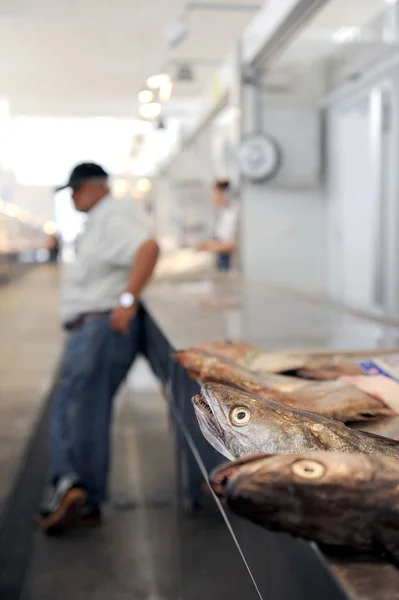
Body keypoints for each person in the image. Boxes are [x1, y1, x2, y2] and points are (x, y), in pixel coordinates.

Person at [39, 162, 159, 534]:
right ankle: (76, 490)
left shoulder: (112, 217)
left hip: (98, 327)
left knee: (81, 409)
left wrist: (126, 300)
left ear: (94, 186)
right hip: (91, 328)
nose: (73, 198)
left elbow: (148, 249)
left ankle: (79, 491)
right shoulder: (100, 220)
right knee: (78, 406)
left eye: (76, 191)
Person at [196, 180, 238, 271]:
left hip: (230, 264)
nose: (213, 198)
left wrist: (207, 246)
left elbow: (231, 245)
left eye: (216, 194)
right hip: (221, 260)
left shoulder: (232, 214)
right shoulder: (223, 212)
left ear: (224, 194)